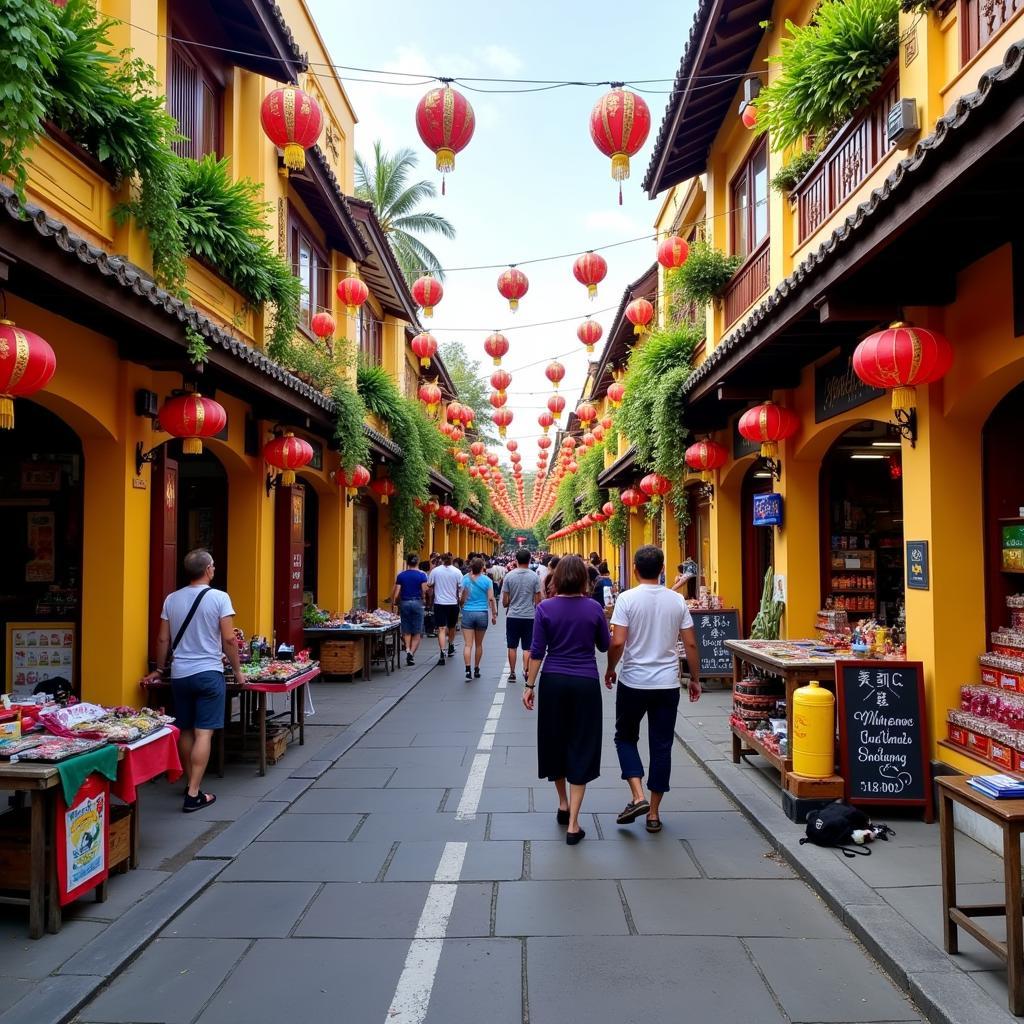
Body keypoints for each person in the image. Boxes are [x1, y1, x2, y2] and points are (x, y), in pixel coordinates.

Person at [604, 545, 702, 834]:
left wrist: (611, 668)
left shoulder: (626, 599)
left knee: (625, 737)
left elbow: (618, 641)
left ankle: (637, 796)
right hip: (667, 683)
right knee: (661, 745)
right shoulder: (677, 601)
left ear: (634, 568)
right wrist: (694, 678)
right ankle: (654, 814)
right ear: (662, 569)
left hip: (633, 681)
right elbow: (691, 644)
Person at [143, 549, 242, 813]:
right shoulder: (220, 598)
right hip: (208, 672)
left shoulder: (171, 599)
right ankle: (195, 792)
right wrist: (238, 671)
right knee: (204, 732)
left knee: (185, 730)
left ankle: (190, 782)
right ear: (209, 569)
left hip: (180, 675)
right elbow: (229, 639)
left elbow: (163, 639)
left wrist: (161, 669)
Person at [523, 555, 610, 845]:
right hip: (585, 682)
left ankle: (562, 802)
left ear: (557, 578)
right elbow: (603, 645)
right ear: (584, 579)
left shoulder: (545, 608)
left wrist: (529, 685)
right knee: (582, 744)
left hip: (554, 681)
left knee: (555, 740)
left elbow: (537, 651)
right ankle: (574, 823)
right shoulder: (594, 608)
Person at [502, 548, 542, 683]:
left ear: (516, 560)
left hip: (513, 615)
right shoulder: (534, 576)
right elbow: (538, 600)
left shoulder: (509, 576)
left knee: (512, 645)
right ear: (529, 560)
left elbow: (505, 601)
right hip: (529, 616)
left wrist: (510, 602)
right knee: (528, 647)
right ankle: (526, 671)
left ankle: (512, 673)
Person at [459, 556, 498, 680]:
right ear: (482, 568)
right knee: (479, 644)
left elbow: (462, 598)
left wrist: (462, 604)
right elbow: (491, 598)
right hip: (482, 613)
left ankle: (467, 669)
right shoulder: (487, 581)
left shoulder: (465, 579)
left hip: (468, 613)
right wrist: (494, 614)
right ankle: (476, 668)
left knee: (468, 645)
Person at [391, 553, 429, 666]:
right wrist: (424, 599)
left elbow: (397, 592)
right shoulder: (422, 575)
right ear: (417, 562)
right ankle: (411, 653)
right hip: (417, 602)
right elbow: (424, 590)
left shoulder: (401, 575)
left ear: (407, 562)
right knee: (417, 631)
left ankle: (407, 648)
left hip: (405, 602)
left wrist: (394, 603)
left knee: (406, 629)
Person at [428, 553, 463, 664]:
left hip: (439, 603)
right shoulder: (457, 572)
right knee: (452, 627)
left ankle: (442, 652)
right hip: (453, 603)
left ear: (441, 560)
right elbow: (461, 587)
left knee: (441, 629)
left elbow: (429, 584)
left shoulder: (435, 571)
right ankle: (451, 644)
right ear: (452, 560)